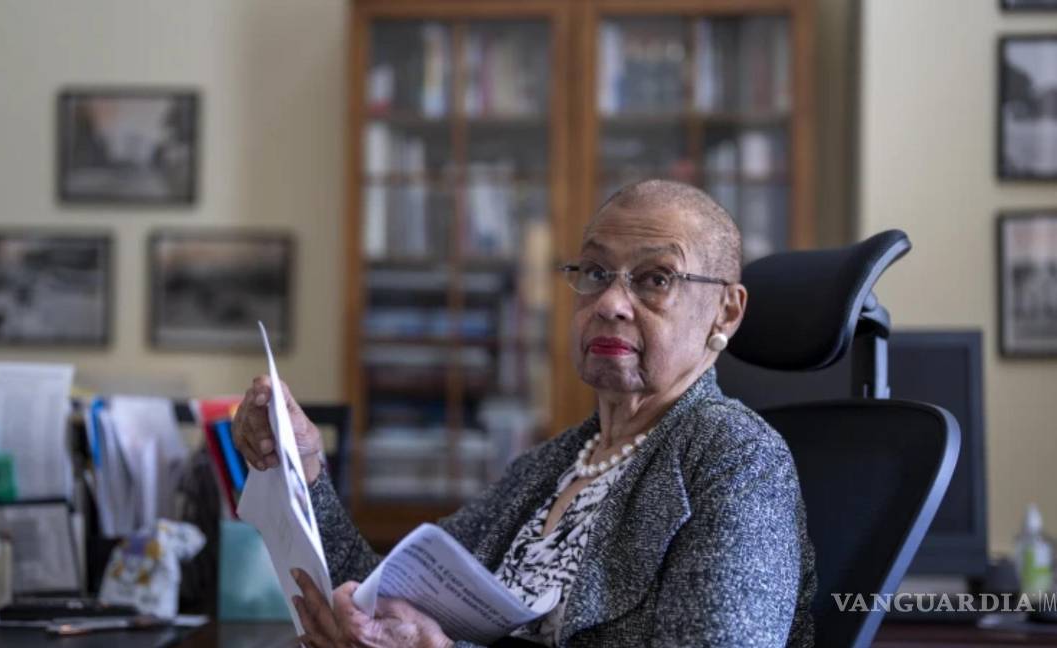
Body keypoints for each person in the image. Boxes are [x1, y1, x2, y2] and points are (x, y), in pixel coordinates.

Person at [234, 179, 816, 647]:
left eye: (655, 278)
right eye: (594, 273)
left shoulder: (736, 458)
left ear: (726, 312)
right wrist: (304, 468)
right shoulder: (551, 464)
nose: (611, 302)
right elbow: (378, 596)